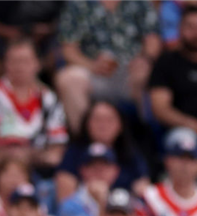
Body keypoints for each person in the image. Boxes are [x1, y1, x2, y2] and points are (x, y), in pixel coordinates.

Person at [54, 0, 161, 133]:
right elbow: (68, 50)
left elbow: (153, 40)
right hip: (92, 70)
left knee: (148, 75)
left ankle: (148, 137)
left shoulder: (141, 3)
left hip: (130, 72)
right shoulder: (77, 4)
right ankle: (84, 139)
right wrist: (91, 65)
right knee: (68, 79)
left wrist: (144, 59)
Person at [0, 39, 68, 169]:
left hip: (38, 168)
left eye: (25, 61)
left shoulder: (49, 98)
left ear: (37, 64)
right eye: (14, 61)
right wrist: (13, 159)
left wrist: (31, 156)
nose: (20, 66)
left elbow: (57, 148)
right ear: (5, 64)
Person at [149, 6, 197, 148]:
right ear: (179, 29)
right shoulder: (166, 62)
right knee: (185, 145)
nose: (196, 33)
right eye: (190, 26)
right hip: (182, 130)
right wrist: (196, 126)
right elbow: (160, 108)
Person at [55, 100, 150, 202]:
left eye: (109, 120)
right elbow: (64, 198)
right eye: (97, 120)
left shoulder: (130, 153)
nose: (103, 125)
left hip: (122, 211)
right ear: (87, 123)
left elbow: (143, 190)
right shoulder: (73, 153)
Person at [58, 143, 122, 216]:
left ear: (115, 171)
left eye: (104, 165)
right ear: (82, 170)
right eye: (92, 165)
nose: (99, 170)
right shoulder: (70, 205)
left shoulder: (125, 201)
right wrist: (101, 204)